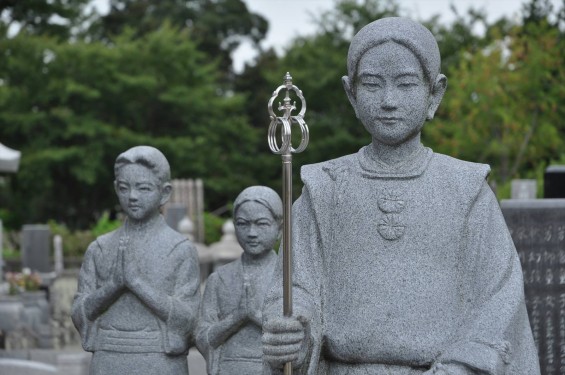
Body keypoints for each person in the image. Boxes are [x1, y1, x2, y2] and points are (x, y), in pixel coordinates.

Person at [262, 17, 540, 375]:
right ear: (351, 93)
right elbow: (294, 287)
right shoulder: (324, 188)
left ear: (434, 93)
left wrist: (463, 366)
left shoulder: (465, 189)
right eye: (373, 85)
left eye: (406, 84)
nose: (388, 101)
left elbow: (499, 300)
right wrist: (293, 331)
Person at [72, 146, 200, 375]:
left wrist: (137, 283)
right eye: (124, 187)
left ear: (165, 193)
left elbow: (189, 320)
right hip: (107, 356)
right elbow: (79, 312)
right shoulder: (100, 248)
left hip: (161, 359)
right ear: (115, 188)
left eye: (143, 188)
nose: (132, 196)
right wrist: (113, 285)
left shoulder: (180, 249)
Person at [196, 186, 282, 374]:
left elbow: (301, 339)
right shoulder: (219, 278)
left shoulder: (289, 277)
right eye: (243, 224)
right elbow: (203, 338)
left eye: (261, 224)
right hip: (228, 367)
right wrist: (237, 317)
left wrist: (256, 317)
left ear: (279, 229)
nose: (251, 233)